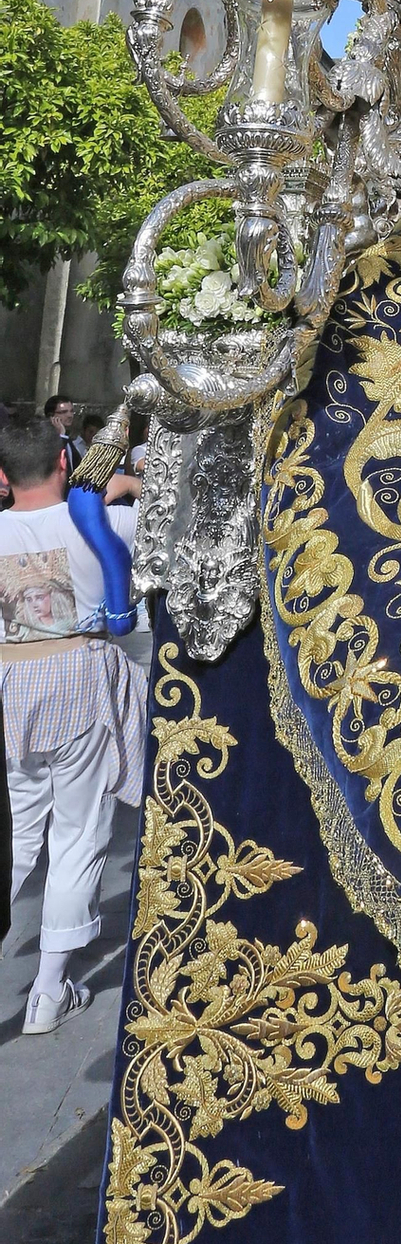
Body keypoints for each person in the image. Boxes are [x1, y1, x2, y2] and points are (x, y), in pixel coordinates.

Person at [0, 410, 146, 1033]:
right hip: (78, 679)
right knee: (79, 835)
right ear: (65, 460)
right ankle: (49, 992)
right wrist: (130, 484)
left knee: (16, 835)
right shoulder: (107, 521)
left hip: (9, 686)